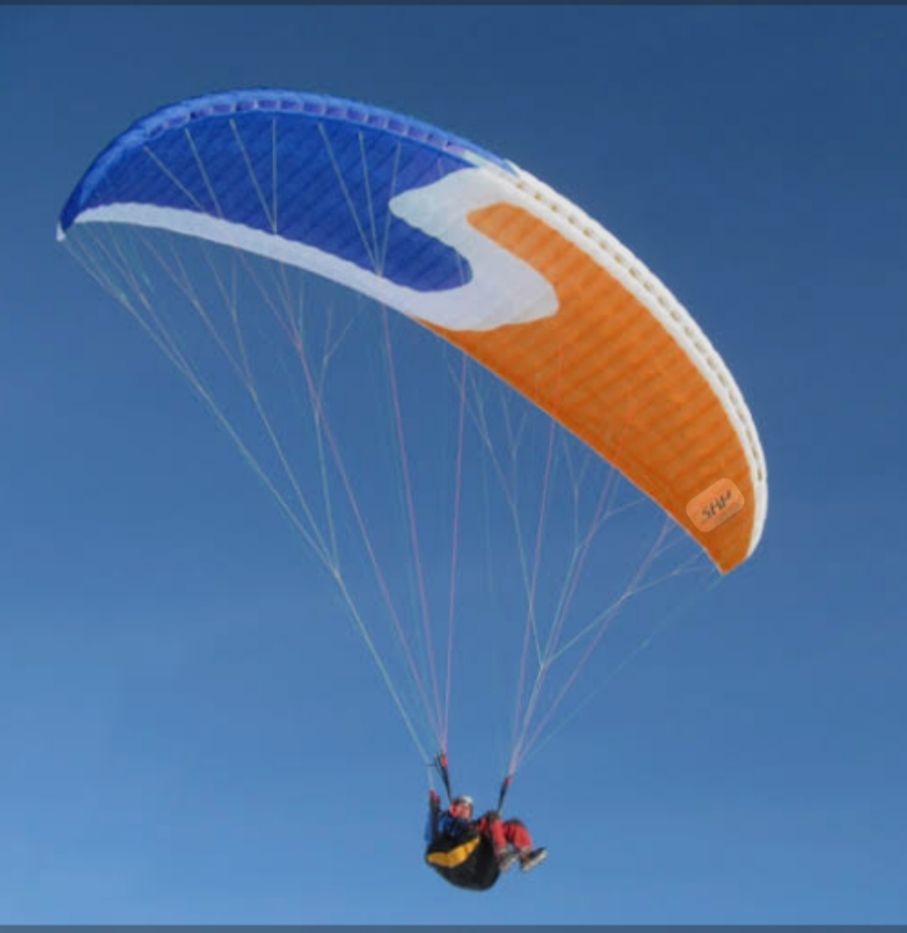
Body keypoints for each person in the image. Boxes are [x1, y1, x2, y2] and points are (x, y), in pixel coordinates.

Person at [424, 791, 547, 890]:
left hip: (483, 872)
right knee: (487, 820)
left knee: (512, 825)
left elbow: (485, 826)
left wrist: (495, 826)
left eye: (468, 808)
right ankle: (502, 855)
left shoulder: (473, 827)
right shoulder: (446, 821)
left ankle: (526, 856)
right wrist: (434, 810)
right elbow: (431, 837)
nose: (466, 809)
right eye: (462, 806)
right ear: (453, 808)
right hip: (458, 863)